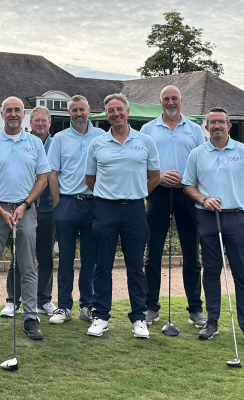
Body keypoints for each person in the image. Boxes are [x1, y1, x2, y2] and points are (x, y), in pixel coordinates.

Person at [0, 96, 50, 342]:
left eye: (17, 110)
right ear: (2, 114)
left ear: (23, 114)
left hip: (25, 210)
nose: (13, 114)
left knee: (27, 267)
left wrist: (25, 205)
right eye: (9, 110)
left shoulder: (34, 143)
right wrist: (0, 209)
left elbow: (42, 180)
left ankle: (30, 318)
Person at [85, 93, 160, 338]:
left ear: (127, 111)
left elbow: (155, 177)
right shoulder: (97, 143)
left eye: (119, 109)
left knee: (135, 266)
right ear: (107, 115)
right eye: (111, 110)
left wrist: (136, 193)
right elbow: (90, 179)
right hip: (105, 208)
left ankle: (138, 317)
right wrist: (110, 194)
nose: (115, 114)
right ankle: (100, 316)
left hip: (134, 209)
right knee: (102, 265)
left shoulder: (145, 141)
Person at [141, 85, 206, 328]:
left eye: (174, 98)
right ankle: (151, 307)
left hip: (186, 193)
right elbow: (141, 163)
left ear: (181, 101)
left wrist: (188, 179)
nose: (170, 102)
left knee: (191, 253)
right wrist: (159, 177)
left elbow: (201, 161)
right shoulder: (148, 129)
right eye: (166, 98)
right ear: (160, 101)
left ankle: (195, 309)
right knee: (153, 252)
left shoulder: (194, 129)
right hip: (157, 192)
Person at [182, 107, 244, 340]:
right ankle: (212, 321)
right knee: (211, 271)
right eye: (212, 122)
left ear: (229, 125)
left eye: (221, 122)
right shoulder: (197, 153)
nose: (217, 126)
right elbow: (188, 185)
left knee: (241, 272)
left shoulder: (241, 150)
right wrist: (203, 199)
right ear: (206, 127)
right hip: (208, 217)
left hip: (237, 216)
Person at [47, 95, 105, 324]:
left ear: (89, 110)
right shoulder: (60, 138)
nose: (78, 114)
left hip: (94, 203)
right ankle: (64, 307)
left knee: (90, 258)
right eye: (74, 110)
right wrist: (57, 202)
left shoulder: (101, 136)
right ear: (68, 113)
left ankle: (87, 305)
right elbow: (53, 172)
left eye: (81, 109)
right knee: (65, 258)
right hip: (68, 202)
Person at [1, 106, 58, 318]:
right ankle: (13, 301)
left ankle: (43, 300)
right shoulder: (22, 142)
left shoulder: (56, 144)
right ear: (30, 122)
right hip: (23, 208)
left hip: (48, 208)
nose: (40, 124)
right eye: (36, 121)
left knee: (46, 257)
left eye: (44, 121)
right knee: (19, 255)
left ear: (49, 123)